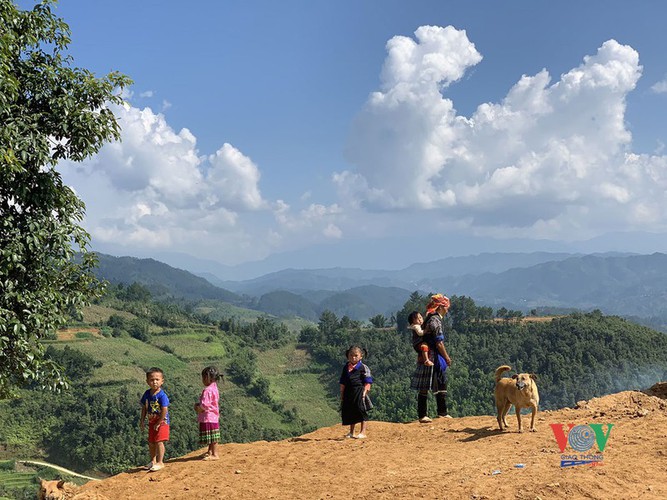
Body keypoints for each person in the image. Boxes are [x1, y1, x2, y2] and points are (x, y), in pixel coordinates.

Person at [410, 294, 453, 423]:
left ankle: (441, 412)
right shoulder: (435, 321)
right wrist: (447, 357)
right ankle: (425, 414)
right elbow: (439, 342)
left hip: (432, 355)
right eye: (446, 307)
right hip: (430, 356)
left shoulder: (431, 318)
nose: (447, 310)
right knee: (426, 384)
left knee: (440, 381)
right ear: (440, 307)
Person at [339, 346, 373, 439]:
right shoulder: (346, 367)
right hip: (348, 392)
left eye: (356, 355)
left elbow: (368, 381)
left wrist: (364, 392)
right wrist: (342, 392)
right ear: (348, 356)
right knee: (350, 411)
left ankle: (363, 432)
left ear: (361, 356)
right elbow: (343, 381)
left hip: (359, 392)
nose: (353, 358)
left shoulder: (363, 367)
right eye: (351, 355)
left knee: (361, 410)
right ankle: (351, 432)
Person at [140, 367, 170, 471]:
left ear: (162, 381)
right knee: (151, 442)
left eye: (157, 379)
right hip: (152, 422)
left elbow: (164, 410)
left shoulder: (162, 395)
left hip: (162, 422)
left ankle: (160, 462)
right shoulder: (147, 394)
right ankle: (153, 461)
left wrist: (159, 422)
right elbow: (144, 407)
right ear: (147, 381)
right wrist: (142, 421)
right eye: (152, 380)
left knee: (159, 441)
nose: (155, 382)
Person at [195, 366, 222, 460]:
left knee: (212, 437)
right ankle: (210, 451)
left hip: (208, 416)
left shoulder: (207, 390)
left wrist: (198, 408)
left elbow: (205, 405)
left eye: (203, 378)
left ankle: (215, 454)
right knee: (212, 436)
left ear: (207, 377)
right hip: (213, 416)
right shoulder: (215, 388)